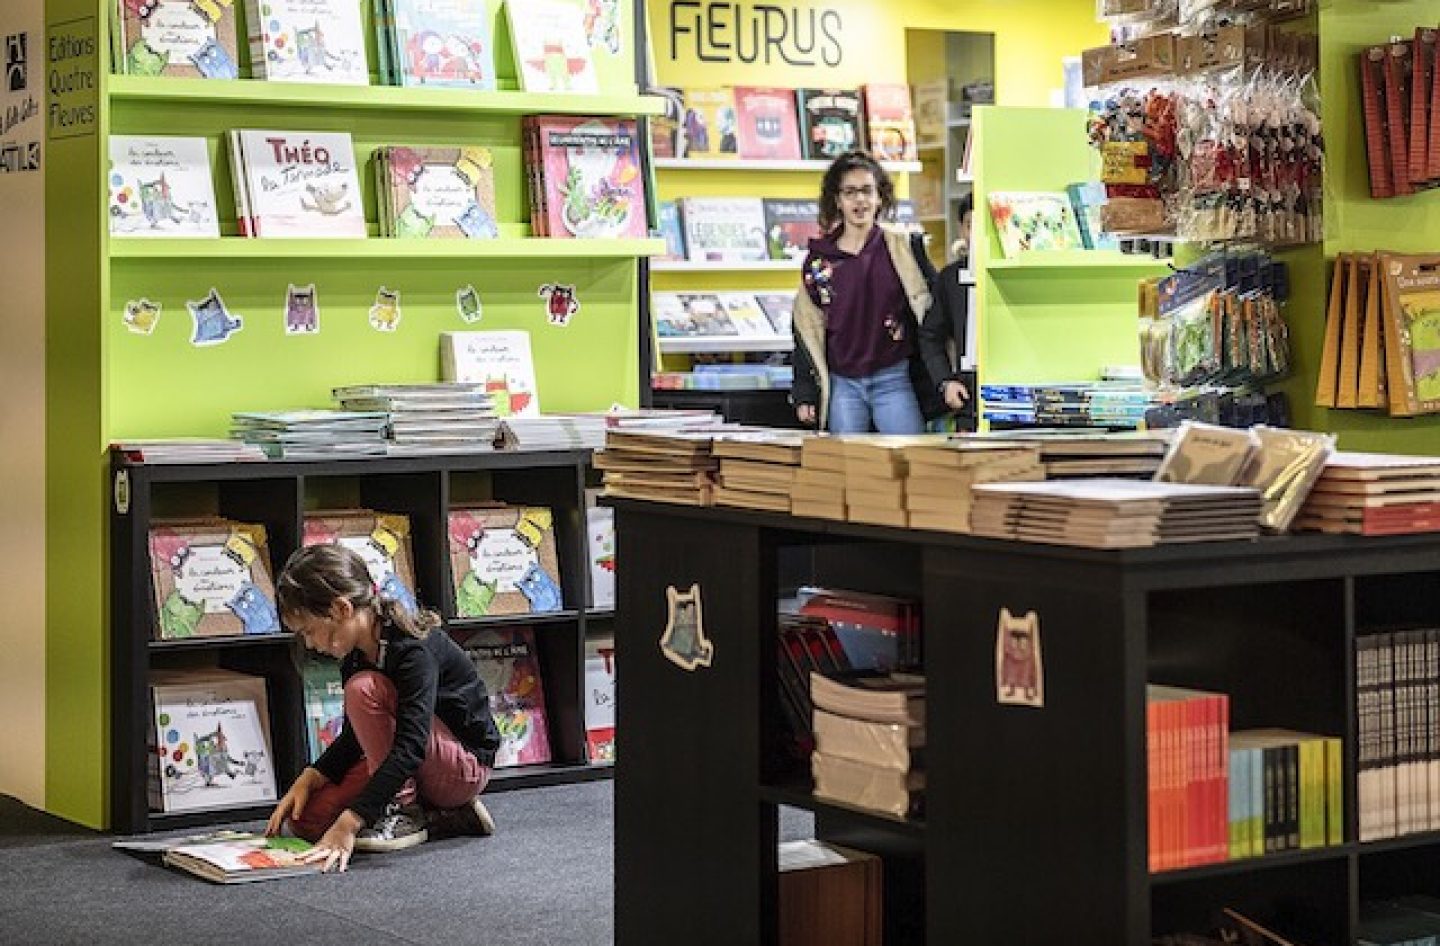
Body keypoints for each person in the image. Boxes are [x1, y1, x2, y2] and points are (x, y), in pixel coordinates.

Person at [265, 544, 501, 873]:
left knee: (364, 689)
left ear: (341, 608)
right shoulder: (356, 654)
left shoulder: (413, 649)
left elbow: (411, 745)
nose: (309, 643)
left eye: (309, 631)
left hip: (462, 766)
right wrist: (313, 775)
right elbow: (355, 738)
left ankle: (405, 809)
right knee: (307, 820)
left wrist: (349, 824)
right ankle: (441, 814)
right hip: (416, 759)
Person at [791, 150, 944, 434]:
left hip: (893, 377)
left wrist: (946, 376)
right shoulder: (819, 261)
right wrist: (804, 393)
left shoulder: (903, 249)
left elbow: (935, 309)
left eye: (866, 191)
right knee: (848, 470)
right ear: (837, 200)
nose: (859, 200)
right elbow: (805, 330)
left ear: (880, 196)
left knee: (910, 462)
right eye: (850, 192)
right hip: (842, 383)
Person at [919, 193, 974, 416]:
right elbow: (930, 336)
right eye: (971, 226)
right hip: (967, 395)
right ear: (962, 229)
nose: (977, 235)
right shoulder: (950, 279)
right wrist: (945, 381)